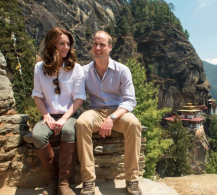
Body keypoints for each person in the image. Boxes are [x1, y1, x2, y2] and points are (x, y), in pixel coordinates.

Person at [75, 31, 142, 195]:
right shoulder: (83, 71)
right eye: (95, 44)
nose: (98, 48)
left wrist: (112, 118)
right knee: (81, 123)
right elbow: (76, 94)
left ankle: (132, 179)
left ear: (110, 47)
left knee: (134, 124)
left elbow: (130, 100)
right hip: (96, 111)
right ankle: (88, 180)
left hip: (118, 111)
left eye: (102, 44)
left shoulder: (122, 70)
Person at [31, 27, 86, 195]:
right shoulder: (39, 68)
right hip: (48, 115)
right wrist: (46, 115)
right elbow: (37, 96)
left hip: (69, 115)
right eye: (61, 43)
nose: (66, 47)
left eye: (68, 44)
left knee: (69, 131)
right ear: (51, 44)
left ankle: (64, 182)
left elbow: (79, 98)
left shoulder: (76, 69)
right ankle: (53, 179)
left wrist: (63, 119)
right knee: (37, 136)